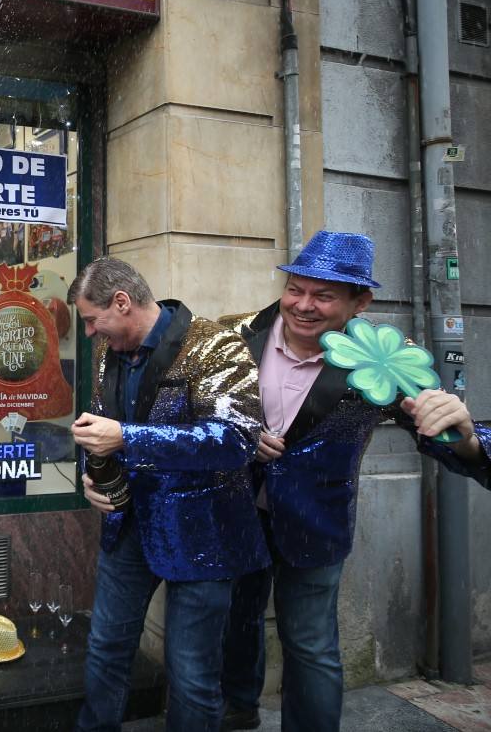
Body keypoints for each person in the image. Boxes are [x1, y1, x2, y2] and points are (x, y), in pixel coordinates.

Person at [217, 231, 491, 732]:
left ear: (360, 301)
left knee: (311, 642)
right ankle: (237, 707)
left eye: (323, 296)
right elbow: (198, 411)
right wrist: (234, 436)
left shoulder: (385, 358)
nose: (303, 305)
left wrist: (468, 435)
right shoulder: (232, 336)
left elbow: (445, 439)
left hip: (316, 522)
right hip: (236, 512)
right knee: (236, 620)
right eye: (295, 289)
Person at [70, 256, 268, 732]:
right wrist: (91, 476)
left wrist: (128, 438)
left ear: (122, 303)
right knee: (106, 647)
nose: (91, 334)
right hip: (128, 526)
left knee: (192, 672)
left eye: (93, 321)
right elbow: (101, 426)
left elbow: (235, 440)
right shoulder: (108, 352)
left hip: (204, 533)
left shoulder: (217, 346)